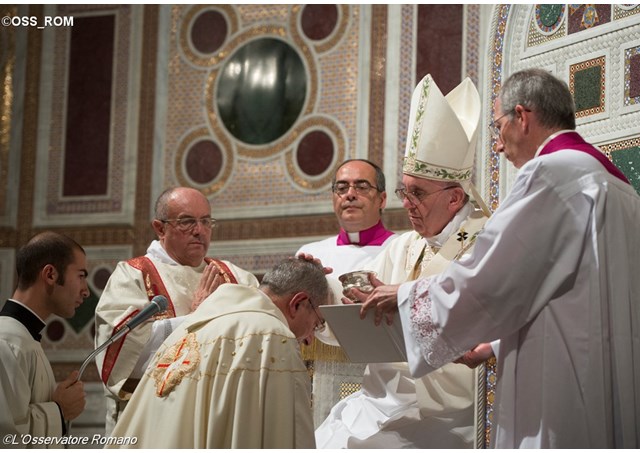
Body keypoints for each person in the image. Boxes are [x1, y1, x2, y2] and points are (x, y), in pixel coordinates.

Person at [361, 68, 640, 448]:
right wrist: (492, 346)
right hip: (615, 363)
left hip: (562, 367)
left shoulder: (550, 174)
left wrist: (405, 297)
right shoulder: (618, 185)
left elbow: (491, 278)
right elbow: (563, 286)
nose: (497, 144)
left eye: (498, 127)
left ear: (522, 117)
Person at [316, 74, 490, 448]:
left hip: (447, 410)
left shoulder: (487, 245)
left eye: (417, 193)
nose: (405, 203)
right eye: (403, 191)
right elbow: (357, 314)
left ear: (455, 198)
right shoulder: (403, 246)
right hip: (380, 400)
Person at [107, 257, 330, 448]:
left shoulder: (189, 327)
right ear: (298, 303)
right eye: (317, 323)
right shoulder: (272, 336)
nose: (311, 337)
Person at [94, 187, 258, 434]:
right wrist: (196, 318)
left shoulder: (235, 277)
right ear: (160, 228)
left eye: (206, 221)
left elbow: (265, 327)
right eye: (187, 222)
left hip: (217, 417)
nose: (199, 230)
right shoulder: (133, 276)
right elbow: (119, 352)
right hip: (153, 422)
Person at [296, 158, 397, 424]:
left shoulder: (403, 249)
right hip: (324, 375)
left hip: (385, 377)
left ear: (382, 199)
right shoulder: (311, 254)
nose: (350, 194)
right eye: (341, 187)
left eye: (362, 186)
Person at [0, 232, 88, 445]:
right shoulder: (6, 341)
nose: (86, 291)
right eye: (81, 276)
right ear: (50, 275)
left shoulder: (24, 338)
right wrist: (59, 411)